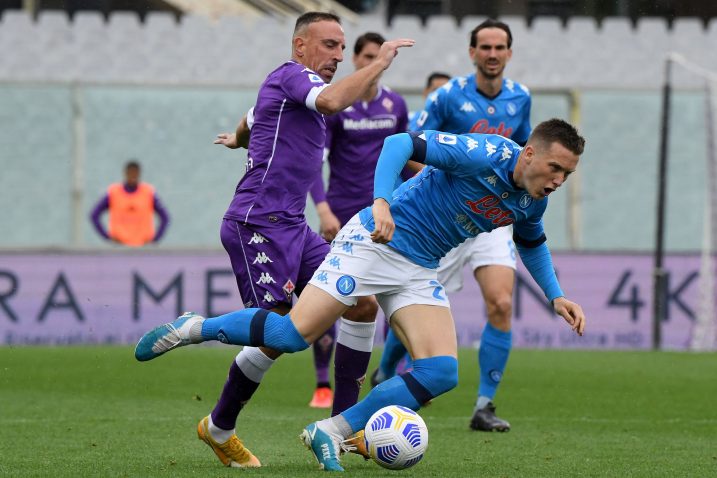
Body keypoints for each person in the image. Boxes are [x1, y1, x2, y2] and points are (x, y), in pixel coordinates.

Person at [135, 118, 587, 471]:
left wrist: (556, 296)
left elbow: (531, 242)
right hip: (374, 242)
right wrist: (382, 202)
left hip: (416, 269)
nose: (558, 181)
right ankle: (195, 327)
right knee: (294, 336)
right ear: (529, 153)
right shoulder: (482, 153)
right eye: (555, 168)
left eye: (566, 174)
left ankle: (329, 431)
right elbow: (399, 144)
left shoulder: (533, 200)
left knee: (442, 372)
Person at [193, 12, 413, 468]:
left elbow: (254, 116)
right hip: (256, 223)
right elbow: (331, 102)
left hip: (294, 226)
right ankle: (218, 420)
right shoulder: (295, 75)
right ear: (300, 46)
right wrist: (380, 62)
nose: (335, 55)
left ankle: (339, 430)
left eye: (340, 46)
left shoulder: (291, 92)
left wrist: (237, 139)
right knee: (279, 329)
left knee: (361, 304)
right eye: (328, 45)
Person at [372, 18, 531, 433]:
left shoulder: (521, 98)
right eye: (485, 47)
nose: (493, 54)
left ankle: (484, 406)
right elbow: (414, 144)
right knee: (414, 304)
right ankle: (386, 371)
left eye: (500, 48)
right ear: (472, 52)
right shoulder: (447, 96)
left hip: (494, 216)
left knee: (501, 302)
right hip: (446, 216)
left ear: (509, 54)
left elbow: (528, 152)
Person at [306, 31, 410, 412]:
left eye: (376, 57)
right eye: (364, 56)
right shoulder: (338, 107)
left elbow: (405, 158)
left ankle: (385, 375)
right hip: (341, 215)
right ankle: (322, 383)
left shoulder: (395, 104)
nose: (370, 63)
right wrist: (323, 210)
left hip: (385, 215)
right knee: (335, 299)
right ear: (356, 61)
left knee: (387, 296)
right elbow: (316, 164)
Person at [89, 160, 169, 246]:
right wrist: (107, 237)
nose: (132, 176)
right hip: (120, 245)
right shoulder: (114, 193)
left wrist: (155, 239)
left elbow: (165, 217)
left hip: (142, 246)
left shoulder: (148, 193)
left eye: (135, 173)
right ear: (125, 173)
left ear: (139, 174)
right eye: (130, 173)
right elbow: (94, 215)